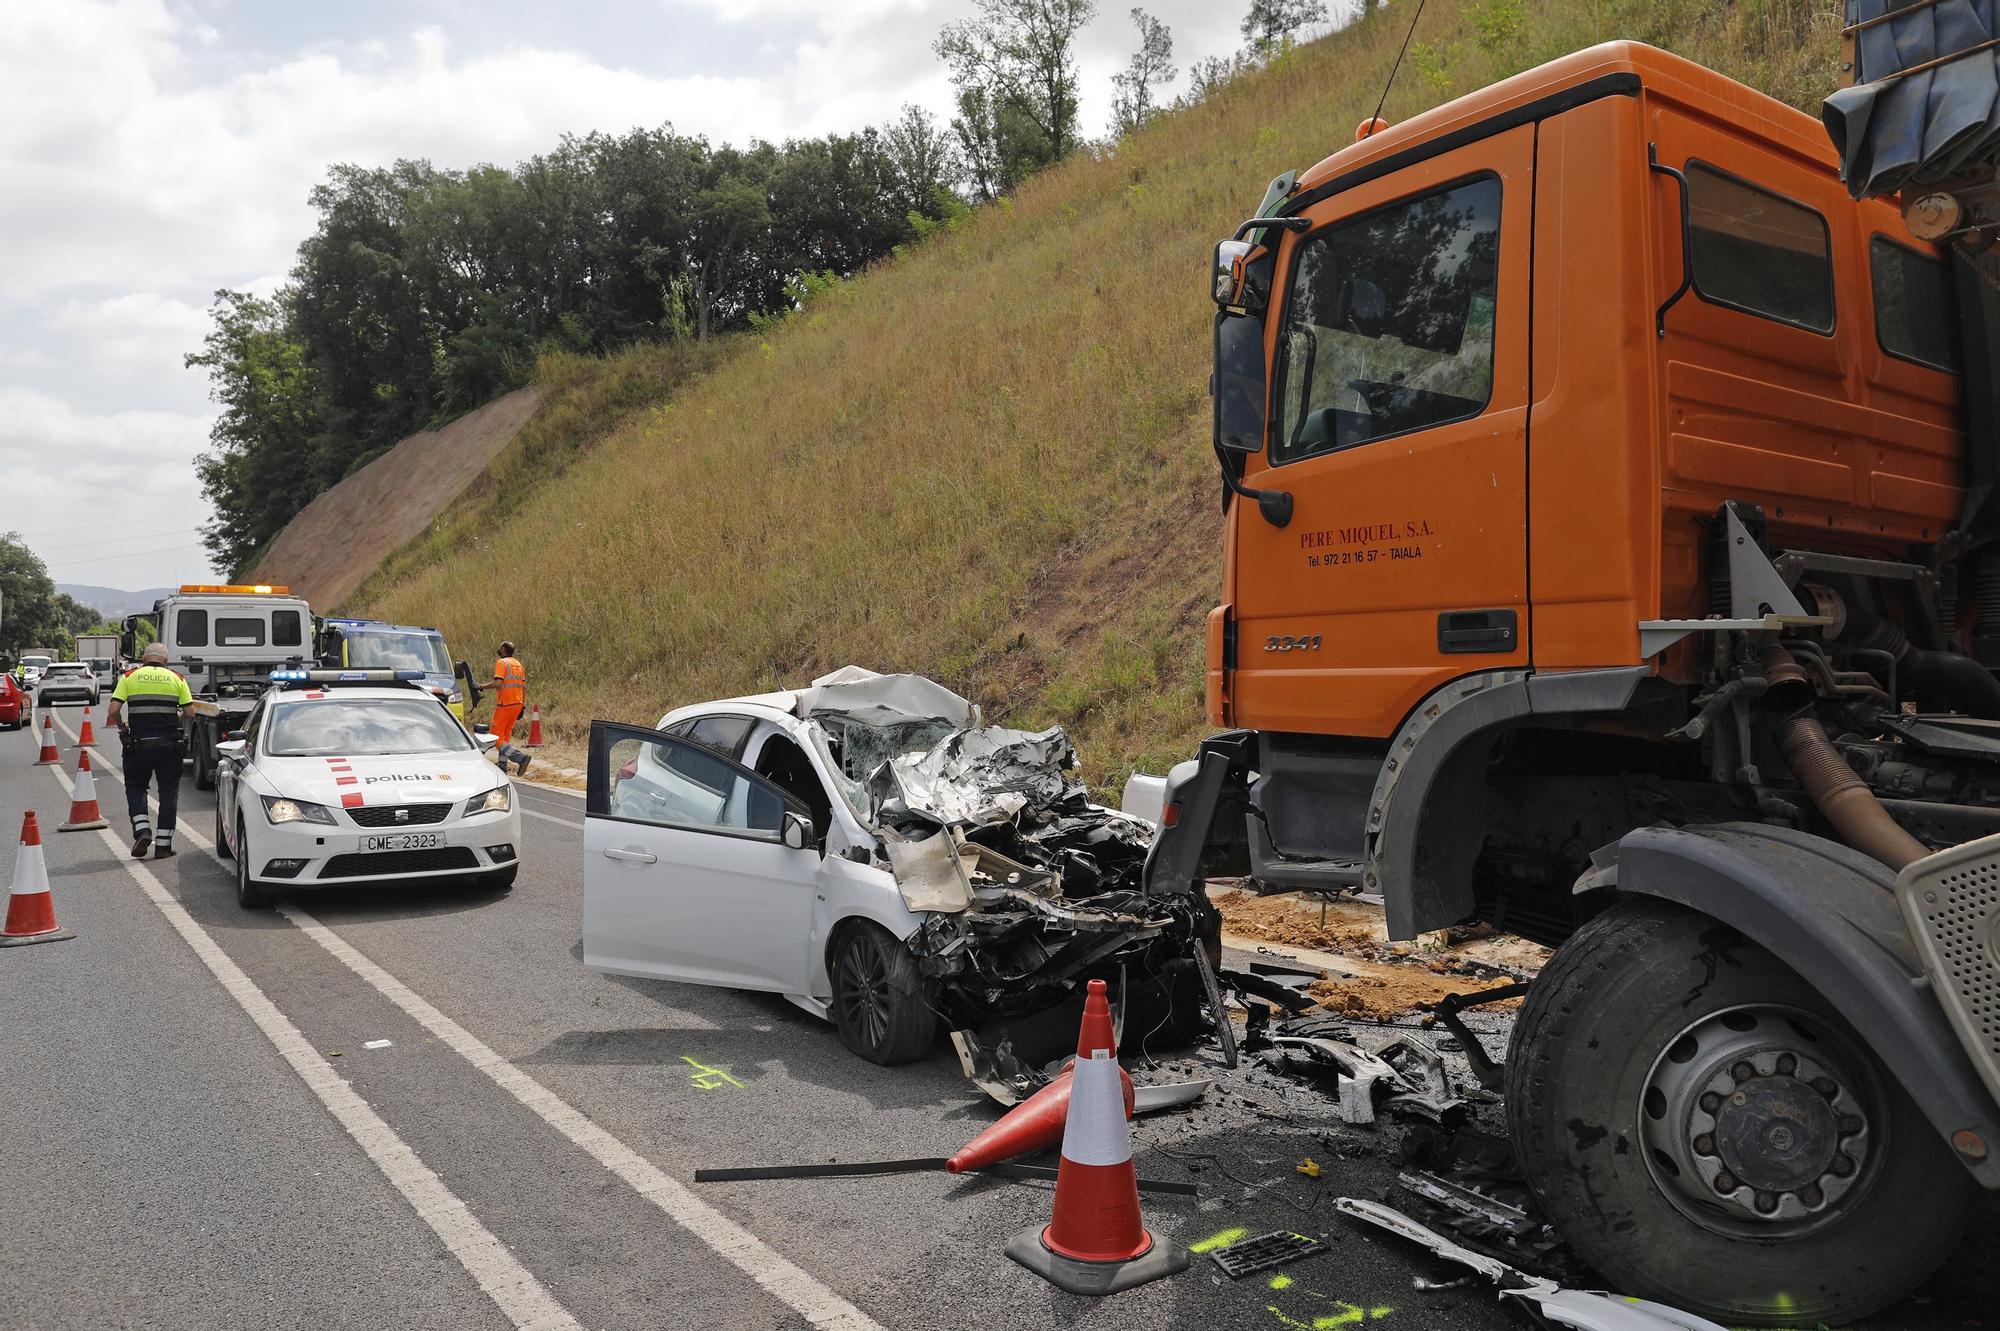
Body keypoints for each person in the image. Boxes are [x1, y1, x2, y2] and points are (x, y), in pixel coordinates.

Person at [105, 641, 193, 859]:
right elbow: (190, 712)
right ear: (165, 660)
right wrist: (176, 717)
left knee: (136, 787)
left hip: (138, 744)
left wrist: (121, 726)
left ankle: (142, 831)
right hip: (169, 745)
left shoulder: (129, 677)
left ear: (143, 659)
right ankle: (163, 846)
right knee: (168, 793)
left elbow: (113, 709)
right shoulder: (177, 679)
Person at [486, 641, 531, 776]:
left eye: (500, 647)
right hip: (517, 704)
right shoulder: (518, 664)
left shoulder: (502, 663)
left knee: (495, 738)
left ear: (504, 649)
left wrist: (480, 686)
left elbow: (498, 682)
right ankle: (502, 766)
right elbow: (523, 687)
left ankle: (520, 757)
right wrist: (522, 705)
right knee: (504, 737)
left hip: (505, 704)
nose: (498, 649)